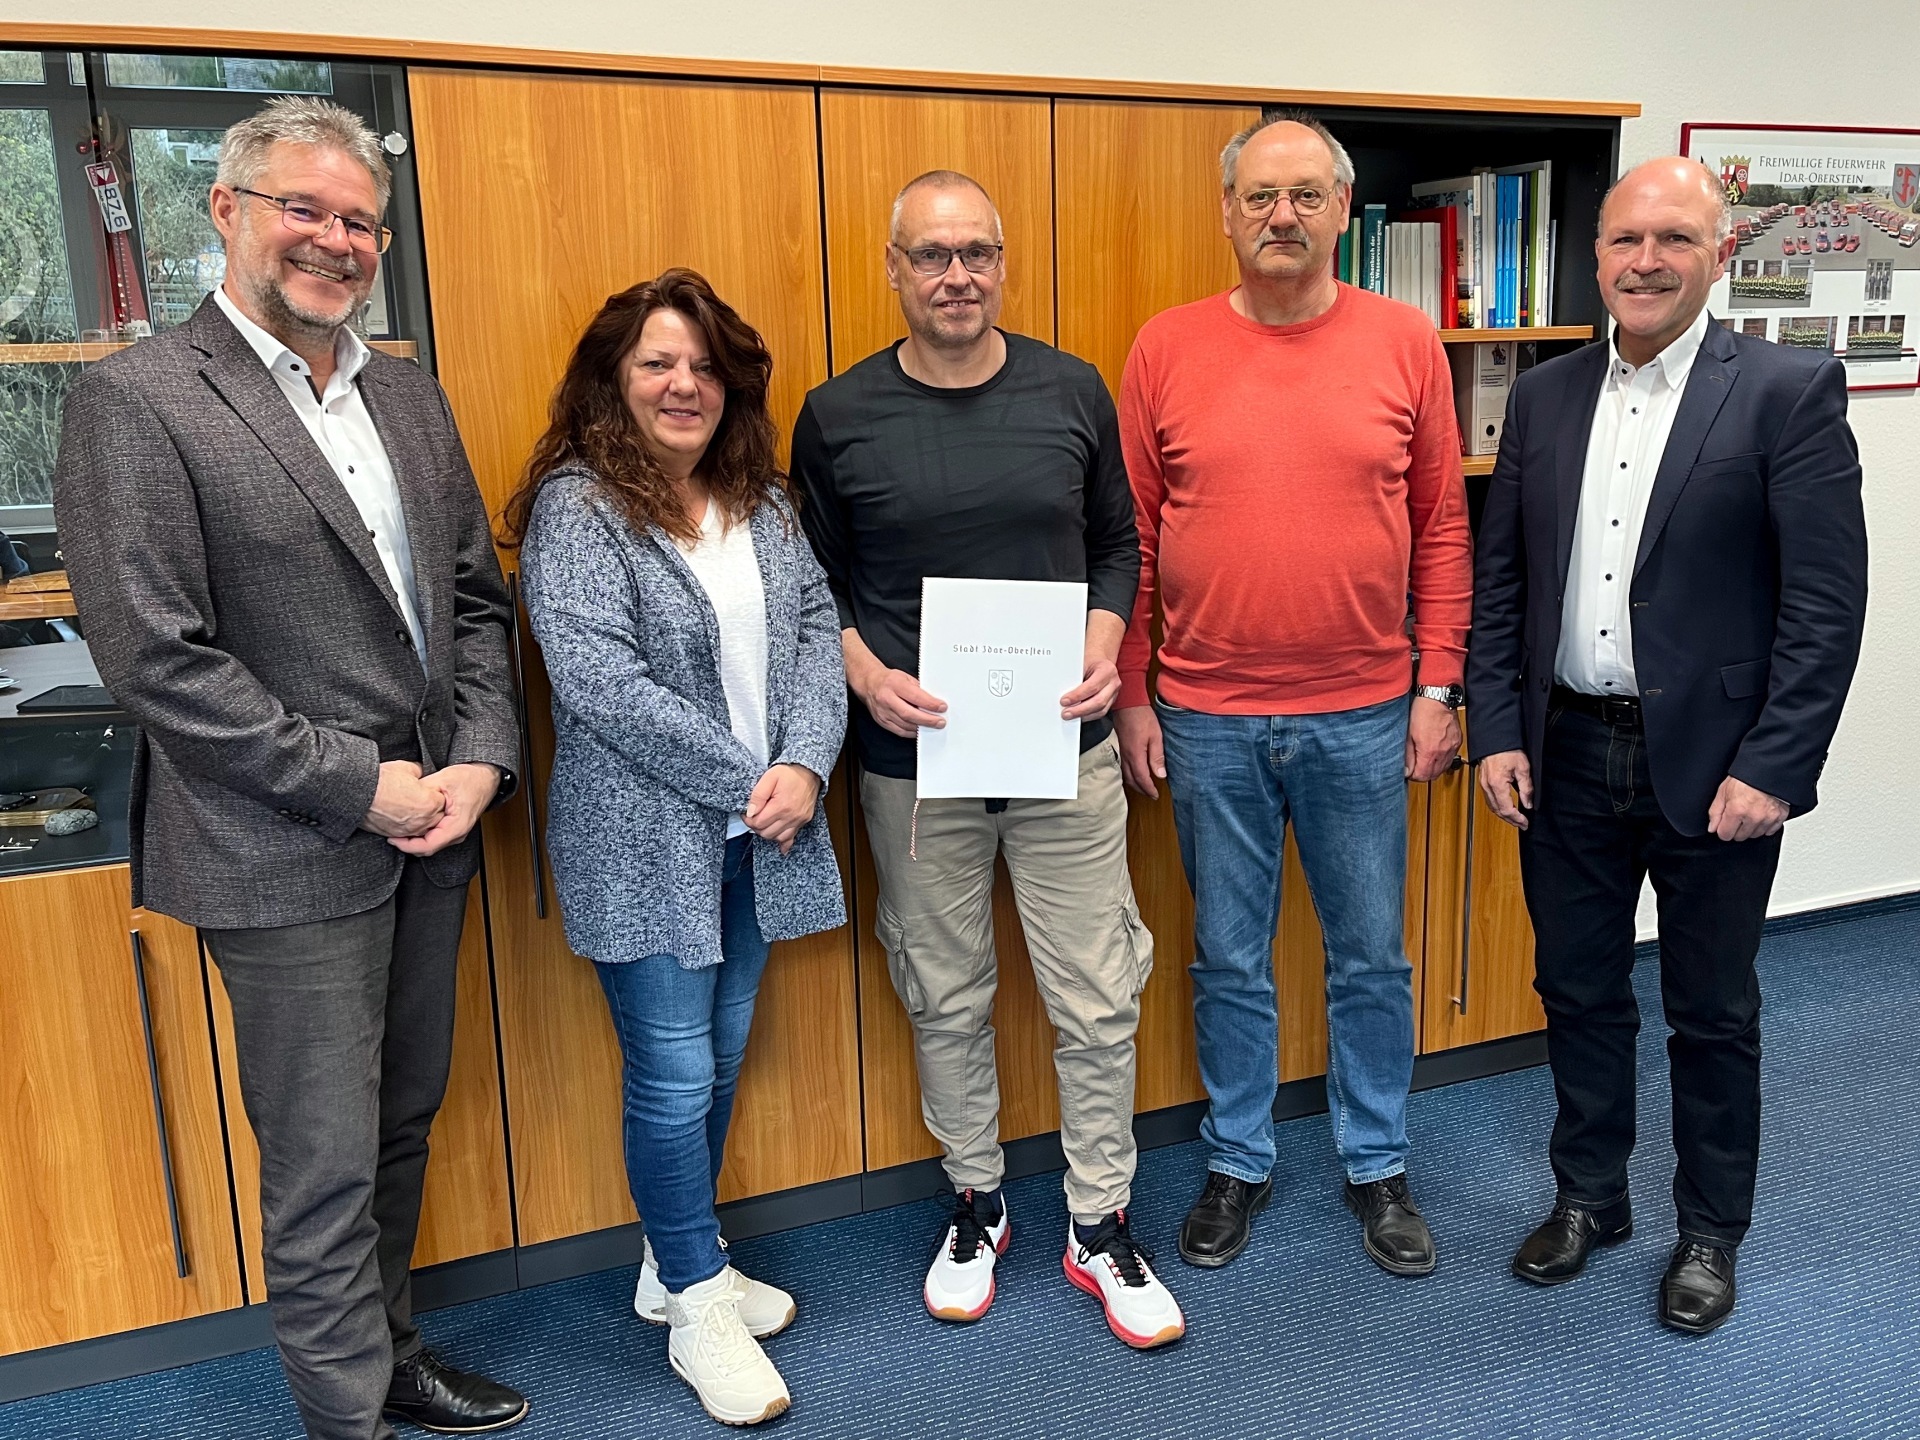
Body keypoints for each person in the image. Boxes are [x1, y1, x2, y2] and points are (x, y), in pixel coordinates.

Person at [53, 97, 527, 1438]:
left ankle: (388, 1362)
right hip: (282, 845)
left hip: (435, 823)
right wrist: (352, 783)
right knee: (322, 1165)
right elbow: (158, 658)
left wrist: (481, 764)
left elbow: (473, 603)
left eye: (359, 220)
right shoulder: (138, 401)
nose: (336, 240)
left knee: (399, 1125)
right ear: (229, 212)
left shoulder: (406, 393)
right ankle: (348, 1422)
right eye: (305, 211)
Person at [1467, 157, 1868, 1334]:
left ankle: (1709, 1230)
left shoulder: (1789, 391)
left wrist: (1778, 769)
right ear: (1595, 257)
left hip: (1719, 766)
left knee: (1712, 1011)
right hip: (1566, 754)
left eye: (1674, 241)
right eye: (1626, 240)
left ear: (1719, 252)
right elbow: (1503, 589)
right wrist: (1497, 726)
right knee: (1579, 992)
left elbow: (1824, 607)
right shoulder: (1543, 397)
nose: (1646, 261)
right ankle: (1591, 1199)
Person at [791, 170, 1185, 1349]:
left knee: (1098, 995)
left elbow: (1118, 543)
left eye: (976, 253)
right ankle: (976, 1200)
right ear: (895, 268)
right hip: (916, 763)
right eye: (931, 256)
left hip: (1066, 747)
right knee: (945, 992)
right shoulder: (837, 412)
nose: (955, 276)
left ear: (1003, 264)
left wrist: (1108, 650)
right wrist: (864, 674)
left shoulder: (1071, 389)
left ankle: (1099, 1223)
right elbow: (808, 586)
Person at [1113, 114, 1472, 1276]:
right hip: (1206, 715)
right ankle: (1239, 1159)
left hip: (1366, 711)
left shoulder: (1406, 342)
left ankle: (1378, 1164)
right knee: (1228, 956)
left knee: (1370, 956)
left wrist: (1441, 683)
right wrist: (1131, 695)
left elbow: (1441, 527)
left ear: (1341, 208)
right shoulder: (1163, 348)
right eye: (1262, 196)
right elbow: (1133, 539)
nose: (1283, 216)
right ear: (1225, 210)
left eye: (1307, 196)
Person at [508, 268, 847, 1425]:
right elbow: (601, 683)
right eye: (657, 362)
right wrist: (758, 779)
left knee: (723, 1048)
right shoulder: (578, 507)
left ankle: (673, 1259)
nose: (683, 383)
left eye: (702, 364)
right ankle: (699, 1300)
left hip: (761, 835)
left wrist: (806, 763)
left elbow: (814, 630)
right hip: (649, 842)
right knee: (672, 1073)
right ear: (614, 380)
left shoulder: (763, 498)